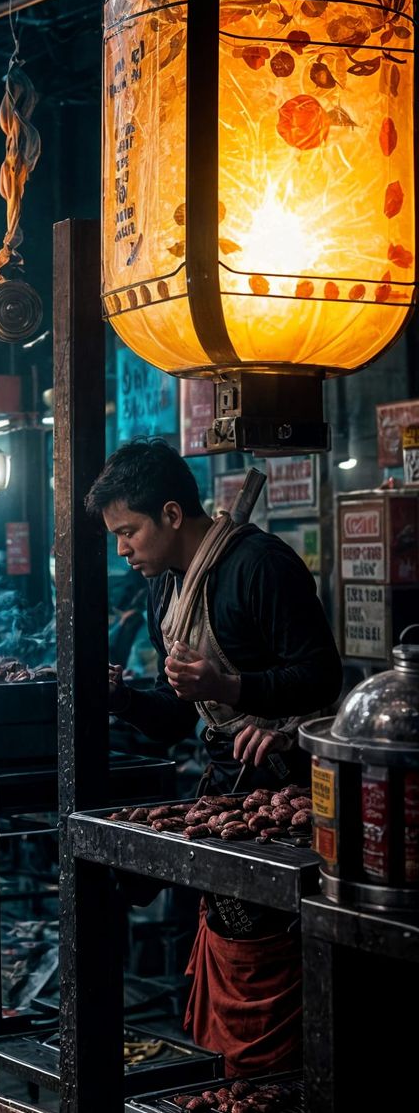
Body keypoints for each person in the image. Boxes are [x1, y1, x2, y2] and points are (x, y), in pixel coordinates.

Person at [87, 439, 341, 1077]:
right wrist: (120, 699)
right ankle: (227, 1077)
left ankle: (281, 1087)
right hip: (224, 781)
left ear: (172, 515)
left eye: (128, 532)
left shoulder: (259, 566)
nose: (123, 549)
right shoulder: (165, 591)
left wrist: (234, 690)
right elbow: (180, 711)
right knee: (206, 923)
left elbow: (321, 677)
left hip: (289, 786)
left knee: (266, 947)